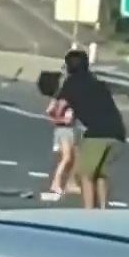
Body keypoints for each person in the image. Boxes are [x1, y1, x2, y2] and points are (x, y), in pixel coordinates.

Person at [57, 48, 126, 209]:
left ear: (68, 66)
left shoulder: (70, 84)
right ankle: (102, 209)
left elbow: (60, 109)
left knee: (85, 174)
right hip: (118, 133)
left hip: (97, 134)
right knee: (100, 174)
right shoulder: (98, 83)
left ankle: (89, 212)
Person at [40, 70, 80, 202]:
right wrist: (61, 119)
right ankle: (55, 184)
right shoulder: (66, 98)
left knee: (73, 157)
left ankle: (70, 183)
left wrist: (56, 118)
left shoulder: (59, 97)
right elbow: (61, 116)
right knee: (67, 157)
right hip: (64, 130)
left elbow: (49, 110)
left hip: (64, 129)